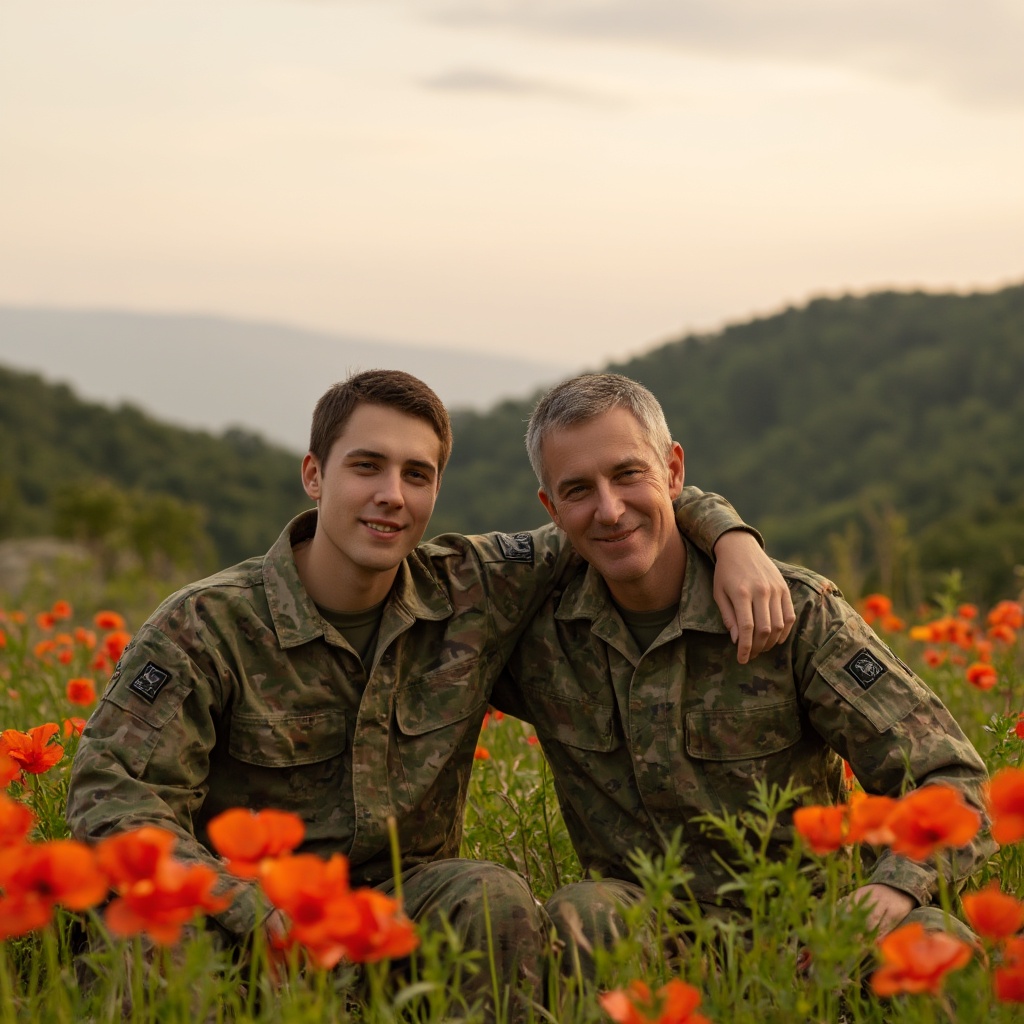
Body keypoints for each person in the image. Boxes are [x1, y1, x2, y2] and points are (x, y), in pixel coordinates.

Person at [66, 369, 792, 1020]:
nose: (392, 495)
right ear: (315, 475)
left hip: (402, 912)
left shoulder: (473, 589)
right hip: (242, 914)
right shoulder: (209, 624)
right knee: (147, 933)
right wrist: (246, 910)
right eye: (367, 467)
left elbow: (617, 502)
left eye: (417, 474)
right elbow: (113, 793)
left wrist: (731, 536)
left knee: (492, 896)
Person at [491, 372, 994, 980]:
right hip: (650, 945)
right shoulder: (534, 630)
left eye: (628, 474)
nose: (609, 508)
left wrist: (892, 891)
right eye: (577, 489)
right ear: (550, 508)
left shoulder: (793, 611)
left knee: (940, 947)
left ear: (673, 472)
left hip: (814, 932)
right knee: (582, 916)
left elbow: (950, 775)